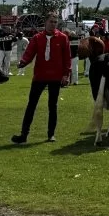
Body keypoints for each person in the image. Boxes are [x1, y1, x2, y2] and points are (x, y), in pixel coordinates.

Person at [12, 15, 72, 144]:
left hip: (55, 77)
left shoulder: (63, 38)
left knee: (52, 106)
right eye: (51, 21)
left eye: (55, 22)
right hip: (39, 76)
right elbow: (29, 53)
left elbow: (67, 58)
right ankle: (23, 135)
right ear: (45, 22)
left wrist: (66, 75)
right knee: (31, 105)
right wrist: (23, 62)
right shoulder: (37, 38)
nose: (53, 24)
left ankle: (51, 134)